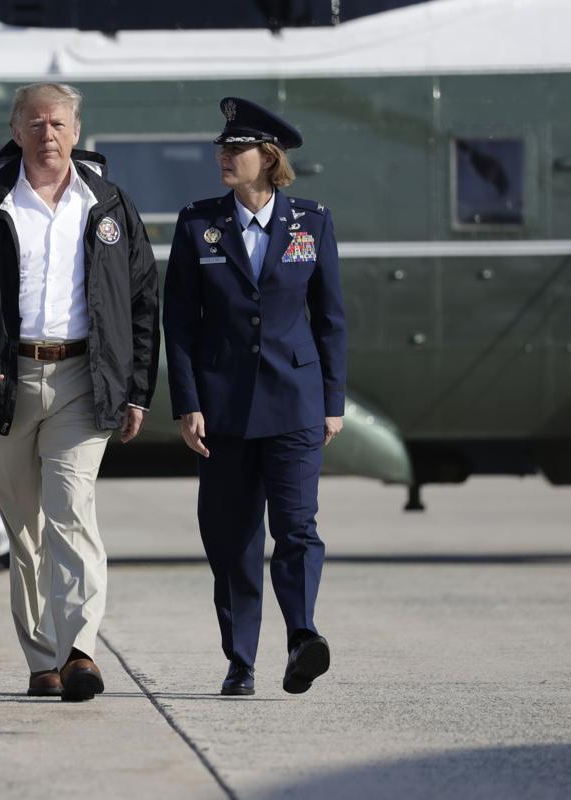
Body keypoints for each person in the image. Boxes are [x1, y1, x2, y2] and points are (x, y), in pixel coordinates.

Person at [0, 83, 159, 702]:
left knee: (71, 511)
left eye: (57, 123)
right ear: (15, 131)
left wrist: (136, 389)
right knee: (24, 530)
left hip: (83, 380)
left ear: (76, 131)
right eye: (34, 124)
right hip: (5, 384)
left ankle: (79, 650)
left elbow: (141, 302)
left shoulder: (109, 206)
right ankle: (41, 659)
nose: (47, 133)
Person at [162, 97, 346, 696]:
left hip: (295, 402)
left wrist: (333, 399)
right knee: (232, 539)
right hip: (223, 410)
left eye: (235, 148)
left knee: (297, 528)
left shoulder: (311, 222)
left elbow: (331, 319)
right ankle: (241, 662)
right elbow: (180, 324)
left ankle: (302, 638)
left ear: (268, 158)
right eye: (222, 146)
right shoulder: (198, 224)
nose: (223, 155)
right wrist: (187, 402)